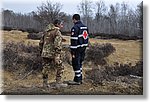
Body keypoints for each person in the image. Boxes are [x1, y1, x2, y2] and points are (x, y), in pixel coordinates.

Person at [39, 19, 67, 88]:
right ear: (57, 24)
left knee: (45, 68)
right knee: (60, 67)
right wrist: (57, 54)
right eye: (61, 24)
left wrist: (41, 52)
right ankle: (58, 83)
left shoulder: (46, 31)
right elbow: (57, 44)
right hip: (53, 54)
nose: (62, 26)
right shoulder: (57, 32)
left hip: (45, 53)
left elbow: (41, 43)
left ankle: (45, 84)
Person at [68, 14, 89, 85]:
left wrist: (72, 51)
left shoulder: (75, 28)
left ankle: (77, 80)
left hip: (77, 48)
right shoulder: (85, 27)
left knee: (75, 63)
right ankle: (79, 78)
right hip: (84, 47)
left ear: (74, 19)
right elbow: (86, 37)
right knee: (80, 63)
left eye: (72, 20)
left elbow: (74, 40)